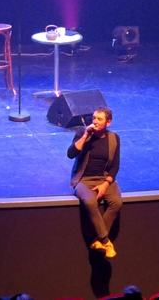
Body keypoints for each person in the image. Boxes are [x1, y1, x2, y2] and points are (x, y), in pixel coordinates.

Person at [67, 106, 121, 259]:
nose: (95, 122)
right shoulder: (82, 133)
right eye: (94, 118)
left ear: (108, 122)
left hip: (104, 179)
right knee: (90, 202)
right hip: (83, 179)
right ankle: (105, 240)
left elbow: (115, 166)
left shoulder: (114, 138)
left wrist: (105, 184)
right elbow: (70, 154)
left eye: (99, 119)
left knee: (116, 202)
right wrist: (85, 136)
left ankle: (97, 241)